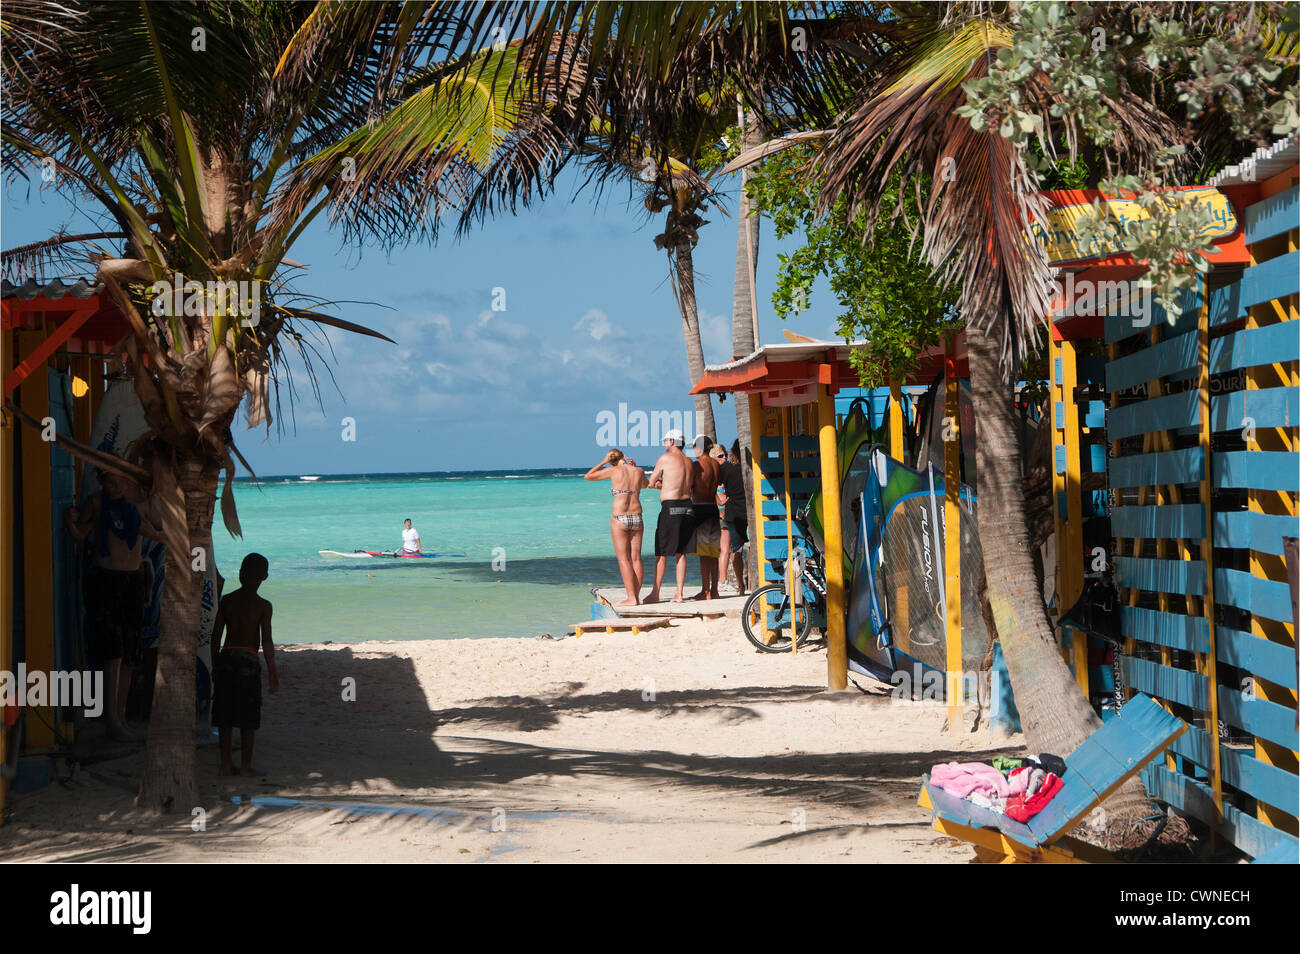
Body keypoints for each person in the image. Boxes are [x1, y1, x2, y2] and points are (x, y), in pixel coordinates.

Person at [64, 469, 164, 742]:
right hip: (105, 580)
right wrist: (69, 520)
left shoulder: (141, 504)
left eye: (121, 480)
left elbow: (164, 528)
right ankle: (112, 721)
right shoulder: (96, 502)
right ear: (101, 481)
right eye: (110, 480)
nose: (116, 486)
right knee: (112, 653)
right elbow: (80, 535)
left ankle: (121, 715)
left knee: (130, 653)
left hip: (133, 581)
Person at [211, 552, 278, 777]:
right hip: (248, 661)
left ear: (240, 574)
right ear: (265, 577)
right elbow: (266, 641)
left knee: (225, 716)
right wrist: (272, 672)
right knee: (248, 718)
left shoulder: (227, 601)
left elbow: (215, 637)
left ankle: (224, 764)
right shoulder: (264, 606)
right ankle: (246, 766)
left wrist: (214, 665)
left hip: (227, 659)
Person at [584, 449, 649, 606]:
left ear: (611, 460)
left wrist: (602, 462)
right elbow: (646, 485)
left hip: (619, 518)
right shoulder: (638, 470)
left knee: (623, 559)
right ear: (623, 457)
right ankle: (636, 597)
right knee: (636, 558)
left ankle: (631, 598)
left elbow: (588, 476)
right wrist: (635, 467)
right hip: (637, 517)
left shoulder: (612, 471)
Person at [645, 429, 695, 603]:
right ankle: (679, 594)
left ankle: (655, 593)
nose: (664, 444)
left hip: (671, 506)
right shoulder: (689, 462)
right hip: (687, 507)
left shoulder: (665, 459)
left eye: (665, 440)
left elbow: (651, 483)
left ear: (672, 442)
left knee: (662, 552)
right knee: (681, 552)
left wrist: (659, 485)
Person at [688, 434, 722, 600]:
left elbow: (690, 488)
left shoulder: (696, 465)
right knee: (713, 551)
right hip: (713, 508)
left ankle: (705, 590)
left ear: (699, 448)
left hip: (700, 508)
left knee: (703, 552)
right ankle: (714, 590)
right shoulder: (716, 464)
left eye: (694, 447)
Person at [716, 440, 749, 594]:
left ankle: (742, 585)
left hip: (733, 512)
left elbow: (710, 486)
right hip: (751, 511)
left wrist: (719, 501)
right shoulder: (750, 468)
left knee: (737, 550)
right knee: (749, 548)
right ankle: (749, 583)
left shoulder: (726, 469)